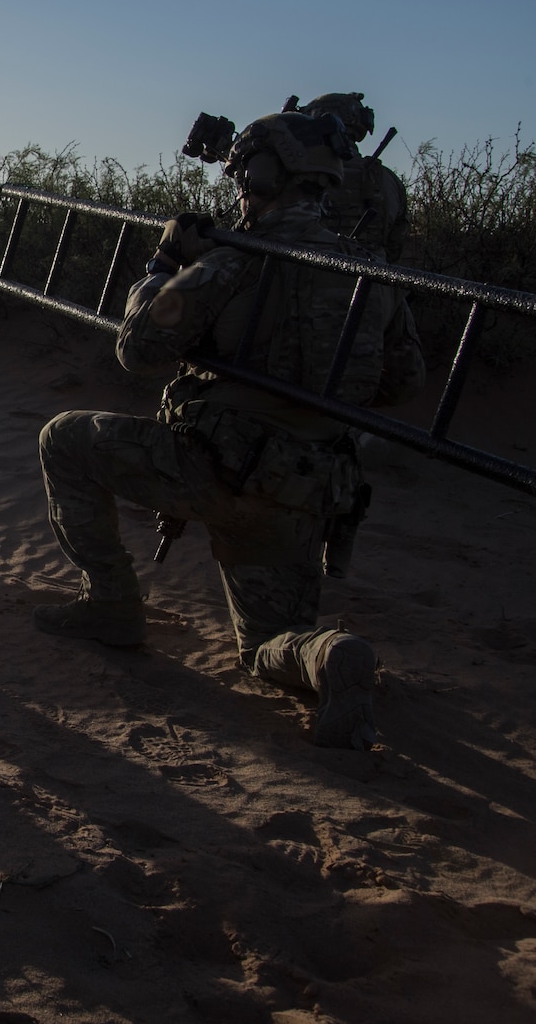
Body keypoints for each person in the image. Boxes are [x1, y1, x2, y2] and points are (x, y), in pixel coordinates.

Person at [31, 111, 425, 748]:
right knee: (268, 643)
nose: (238, 189)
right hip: (307, 488)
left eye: (243, 175)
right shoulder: (368, 271)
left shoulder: (236, 261)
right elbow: (404, 380)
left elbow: (138, 347)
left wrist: (165, 262)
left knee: (65, 439)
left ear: (267, 173)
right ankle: (328, 655)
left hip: (213, 466)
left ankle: (110, 604)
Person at [296, 92, 409, 263]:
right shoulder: (388, 180)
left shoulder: (297, 174)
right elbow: (396, 245)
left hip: (310, 281)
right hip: (373, 282)